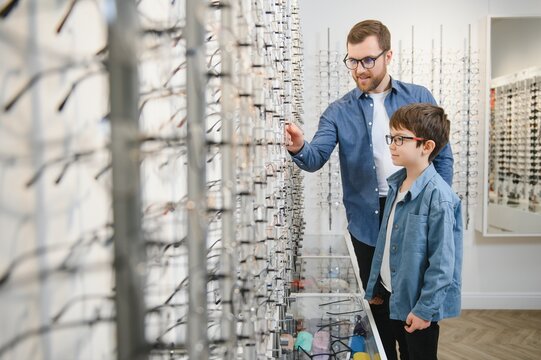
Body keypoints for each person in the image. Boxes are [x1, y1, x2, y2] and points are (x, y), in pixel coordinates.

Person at [284, 20, 453, 359]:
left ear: (388, 55)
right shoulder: (338, 111)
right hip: (366, 224)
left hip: (414, 213)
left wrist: (438, 205)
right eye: (352, 61)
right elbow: (315, 157)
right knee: (377, 316)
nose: (359, 69)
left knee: (416, 317)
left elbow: (443, 156)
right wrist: (299, 146)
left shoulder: (419, 97)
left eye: (367, 60)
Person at [364, 103, 463, 360]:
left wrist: (424, 310)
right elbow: (386, 242)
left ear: (427, 146)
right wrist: (376, 286)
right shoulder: (396, 184)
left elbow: (443, 264)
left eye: (400, 139)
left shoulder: (440, 197)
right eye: (391, 137)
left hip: (416, 308)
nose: (392, 145)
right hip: (390, 295)